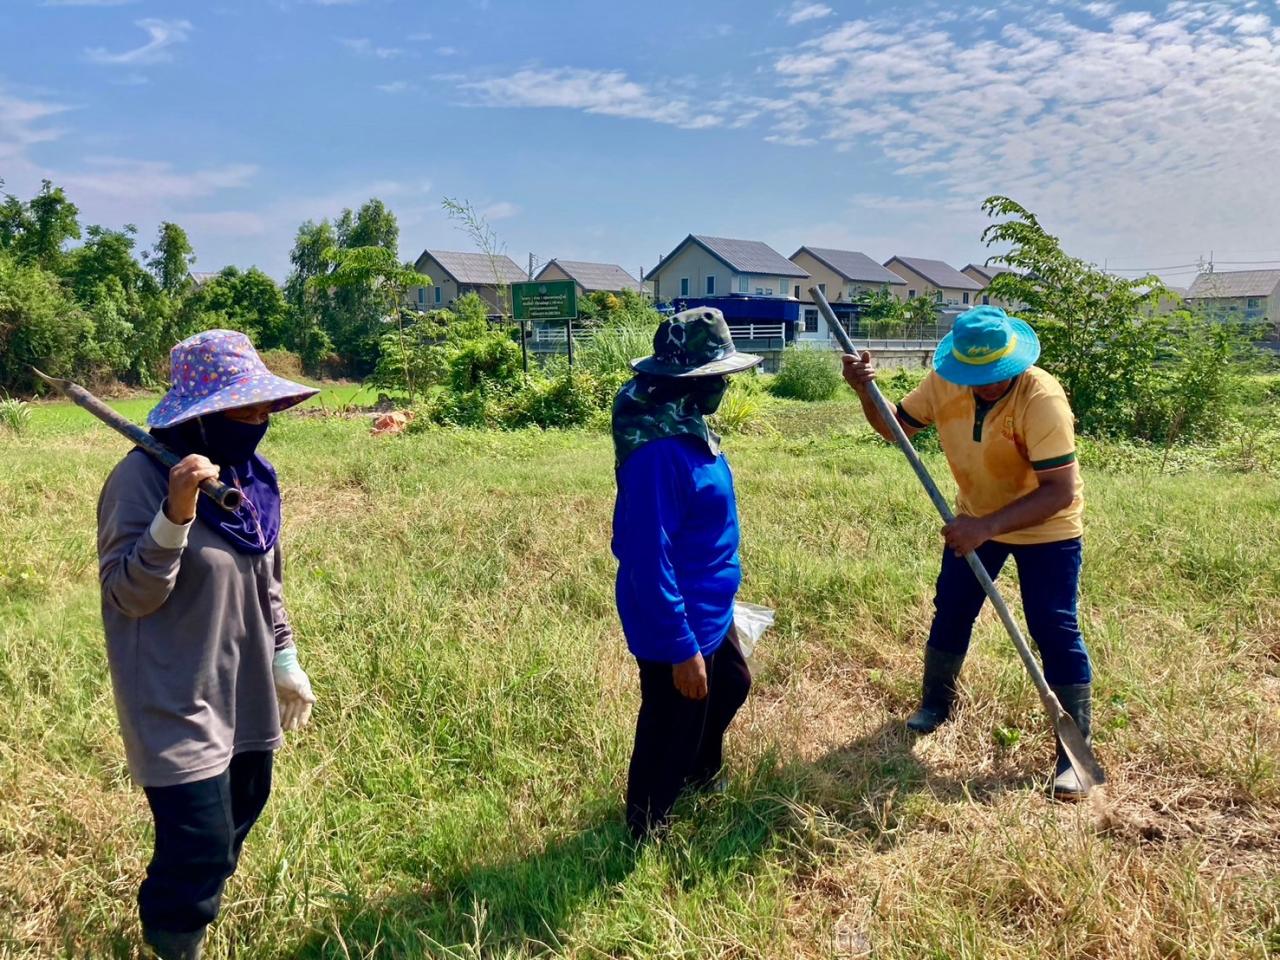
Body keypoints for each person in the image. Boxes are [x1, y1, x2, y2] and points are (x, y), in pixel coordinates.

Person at [97, 330, 320, 960]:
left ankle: (184, 912)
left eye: (261, 411)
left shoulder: (252, 481)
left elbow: (266, 582)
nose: (255, 423)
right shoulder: (140, 480)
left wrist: (285, 659)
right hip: (174, 695)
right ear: (199, 415)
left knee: (238, 815)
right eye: (240, 410)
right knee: (197, 842)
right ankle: (175, 936)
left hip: (244, 689)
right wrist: (176, 512)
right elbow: (130, 596)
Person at [842, 306, 1103, 801]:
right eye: (973, 376)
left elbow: (1059, 490)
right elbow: (896, 428)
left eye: (994, 375)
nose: (983, 386)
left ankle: (1074, 752)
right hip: (974, 518)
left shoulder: (1040, 396)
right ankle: (936, 704)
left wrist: (986, 528)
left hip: (1045, 526)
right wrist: (863, 391)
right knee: (953, 610)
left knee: (1054, 626)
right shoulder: (945, 381)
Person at [611, 307, 762, 839]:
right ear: (683, 381)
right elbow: (647, 556)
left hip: (707, 606)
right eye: (714, 376)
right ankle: (646, 825)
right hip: (677, 615)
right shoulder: (657, 455)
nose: (721, 385)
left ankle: (699, 773)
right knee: (671, 722)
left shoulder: (682, 425)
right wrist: (680, 648)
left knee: (731, 686)